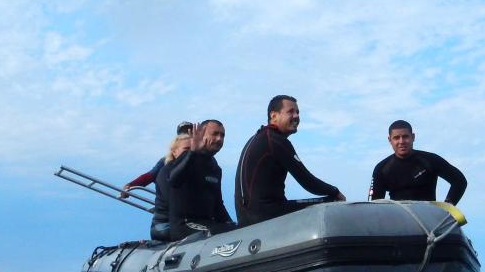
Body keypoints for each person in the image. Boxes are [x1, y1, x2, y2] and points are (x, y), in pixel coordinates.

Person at [234, 95, 346, 226]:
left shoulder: (258, 137)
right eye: (290, 112)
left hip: (246, 218)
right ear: (274, 116)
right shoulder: (275, 141)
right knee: (331, 202)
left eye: (298, 112)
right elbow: (307, 181)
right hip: (266, 215)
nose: (296, 116)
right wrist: (335, 191)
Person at [161, 119, 236, 240]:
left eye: (222, 135)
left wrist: (234, 225)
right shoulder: (187, 157)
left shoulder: (215, 168)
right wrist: (192, 153)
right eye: (215, 134)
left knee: (236, 230)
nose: (219, 139)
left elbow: (218, 205)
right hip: (185, 225)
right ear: (201, 135)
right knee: (221, 232)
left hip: (207, 223)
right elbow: (173, 180)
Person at [368, 119, 467, 205]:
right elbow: (374, 205)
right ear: (390, 140)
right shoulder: (382, 169)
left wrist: (448, 207)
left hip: (428, 221)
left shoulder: (430, 160)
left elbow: (459, 181)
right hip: (398, 221)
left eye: (405, 136)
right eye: (396, 138)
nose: (401, 141)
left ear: (413, 137)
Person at [147, 133, 191, 241]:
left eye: (192, 149)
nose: (189, 152)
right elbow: (176, 204)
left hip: (185, 221)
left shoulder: (199, 171)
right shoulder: (165, 170)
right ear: (174, 152)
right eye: (186, 149)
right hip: (166, 224)